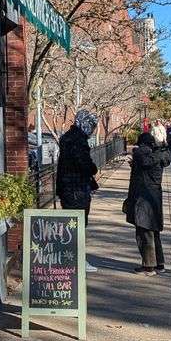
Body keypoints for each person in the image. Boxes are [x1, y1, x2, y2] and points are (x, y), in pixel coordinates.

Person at [56, 109, 99, 271]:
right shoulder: (78, 140)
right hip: (76, 190)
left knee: (72, 226)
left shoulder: (67, 137)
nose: (93, 129)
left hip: (68, 188)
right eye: (92, 125)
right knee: (78, 226)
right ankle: (77, 260)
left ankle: (72, 258)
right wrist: (93, 168)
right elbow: (84, 164)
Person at [123, 132, 171, 275]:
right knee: (153, 231)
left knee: (144, 232)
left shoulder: (141, 154)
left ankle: (148, 266)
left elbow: (143, 165)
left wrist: (136, 158)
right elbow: (147, 168)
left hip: (142, 197)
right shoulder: (159, 156)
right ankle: (159, 264)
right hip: (154, 196)